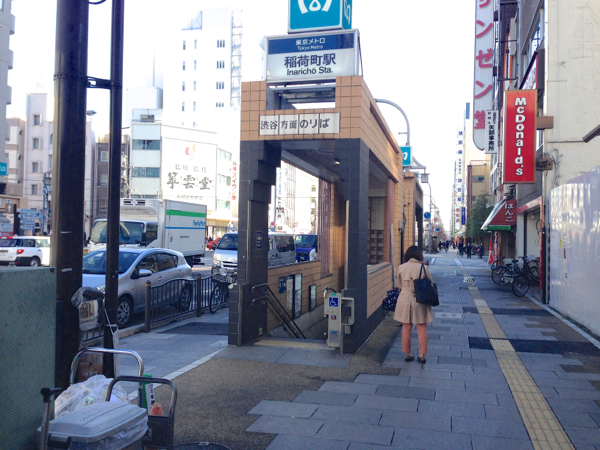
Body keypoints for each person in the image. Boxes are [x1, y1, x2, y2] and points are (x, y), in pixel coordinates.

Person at [394, 246, 434, 364]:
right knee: (422, 327)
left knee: (406, 327)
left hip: (405, 299)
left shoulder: (401, 267)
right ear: (419, 255)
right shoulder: (424, 267)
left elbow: (399, 284)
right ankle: (422, 355)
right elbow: (430, 283)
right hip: (420, 300)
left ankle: (408, 353)